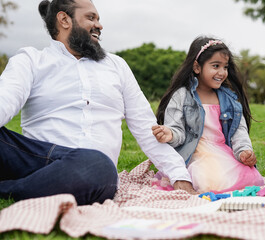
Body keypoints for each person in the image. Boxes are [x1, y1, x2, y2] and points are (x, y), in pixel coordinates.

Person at [0, 0, 196, 206]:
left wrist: (179, 175)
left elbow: (146, 127)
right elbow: (5, 100)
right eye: (91, 18)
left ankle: (9, 190)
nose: (99, 25)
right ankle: (34, 186)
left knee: (97, 164)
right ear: (64, 19)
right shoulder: (31, 60)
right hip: (35, 161)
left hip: (93, 172)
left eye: (98, 19)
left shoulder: (117, 66)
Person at [152, 36, 264, 193]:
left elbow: (239, 132)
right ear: (197, 67)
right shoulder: (182, 96)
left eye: (225, 67)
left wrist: (243, 151)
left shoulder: (229, 99)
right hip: (194, 154)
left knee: (250, 178)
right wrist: (169, 134)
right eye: (216, 66)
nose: (222, 72)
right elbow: (177, 130)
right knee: (208, 180)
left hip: (222, 153)